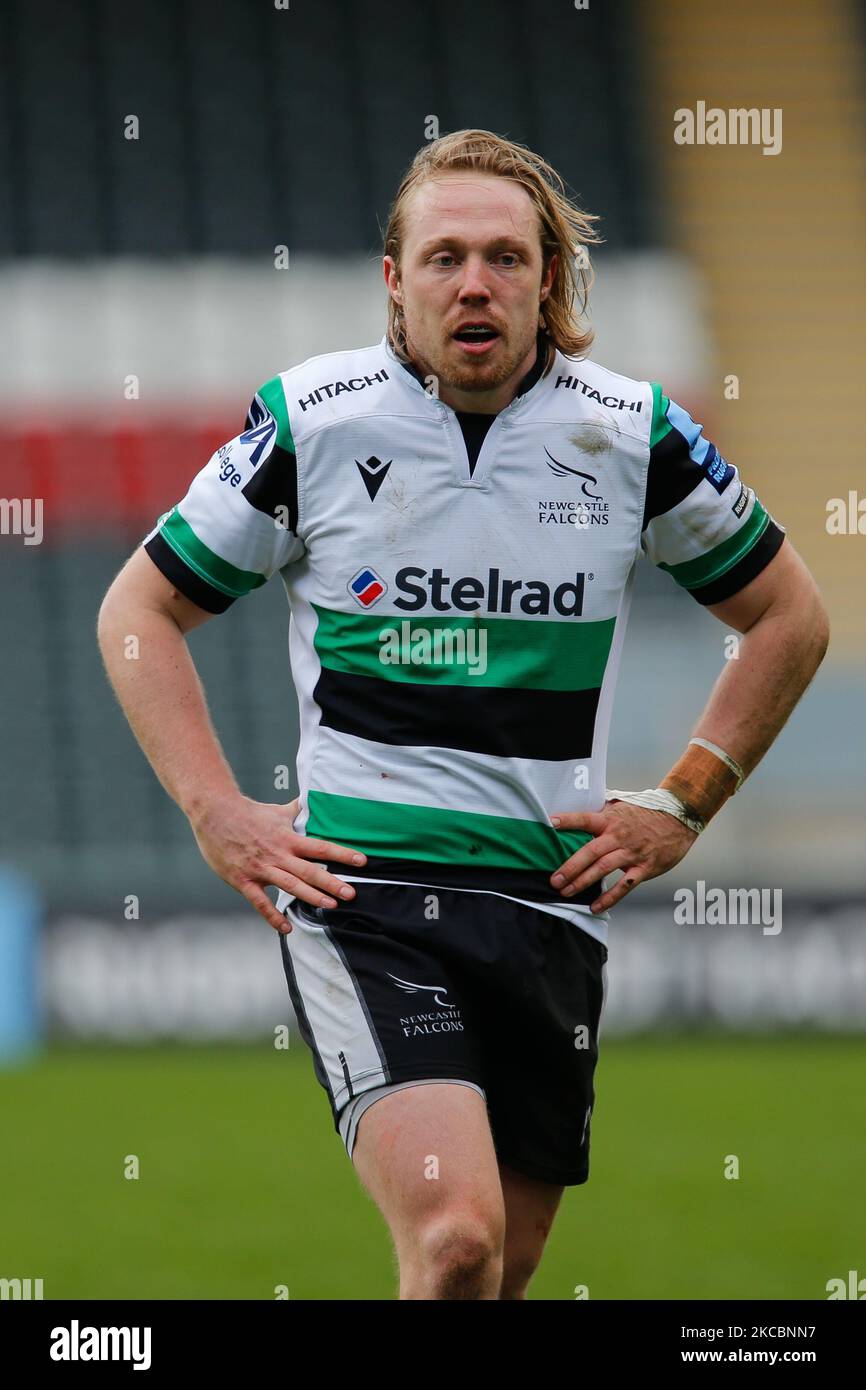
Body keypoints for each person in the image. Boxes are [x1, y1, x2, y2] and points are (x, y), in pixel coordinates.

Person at [97, 129, 829, 1300]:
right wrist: (214, 810)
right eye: (443, 258)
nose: (473, 283)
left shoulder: (629, 432)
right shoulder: (312, 421)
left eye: (503, 256)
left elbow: (789, 614)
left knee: (499, 1270)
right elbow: (138, 611)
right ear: (394, 278)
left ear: (549, 279)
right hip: (367, 894)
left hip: (550, 907)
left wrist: (685, 799)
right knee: (454, 1241)